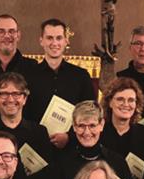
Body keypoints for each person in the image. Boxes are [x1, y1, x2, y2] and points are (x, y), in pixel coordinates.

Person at [47, 101, 136, 179]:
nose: (87, 132)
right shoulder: (61, 164)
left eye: (92, 126)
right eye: (81, 126)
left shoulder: (117, 162)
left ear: (101, 125)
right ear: (74, 126)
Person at [23, 19, 95, 149]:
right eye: (49, 38)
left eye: (59, 38)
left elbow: (90, 114)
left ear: (66, 41)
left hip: (73, 148)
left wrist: (69, 136)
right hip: (37, 148)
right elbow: (23, 114)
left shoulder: (81, 76)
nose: (54, 43)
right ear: (41, 41)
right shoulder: (28, 76)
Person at [0, 72, 54, 179]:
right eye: (3, 94)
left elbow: (48, 176)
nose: (10, 99)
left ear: (25, 99)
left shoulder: (39, 133)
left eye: (16, 93)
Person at [99, 77, 144, 163]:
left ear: (136, 104)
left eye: (131, 100)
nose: (126, 104)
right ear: (110, 102)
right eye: (120, 99)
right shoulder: (98, 132)